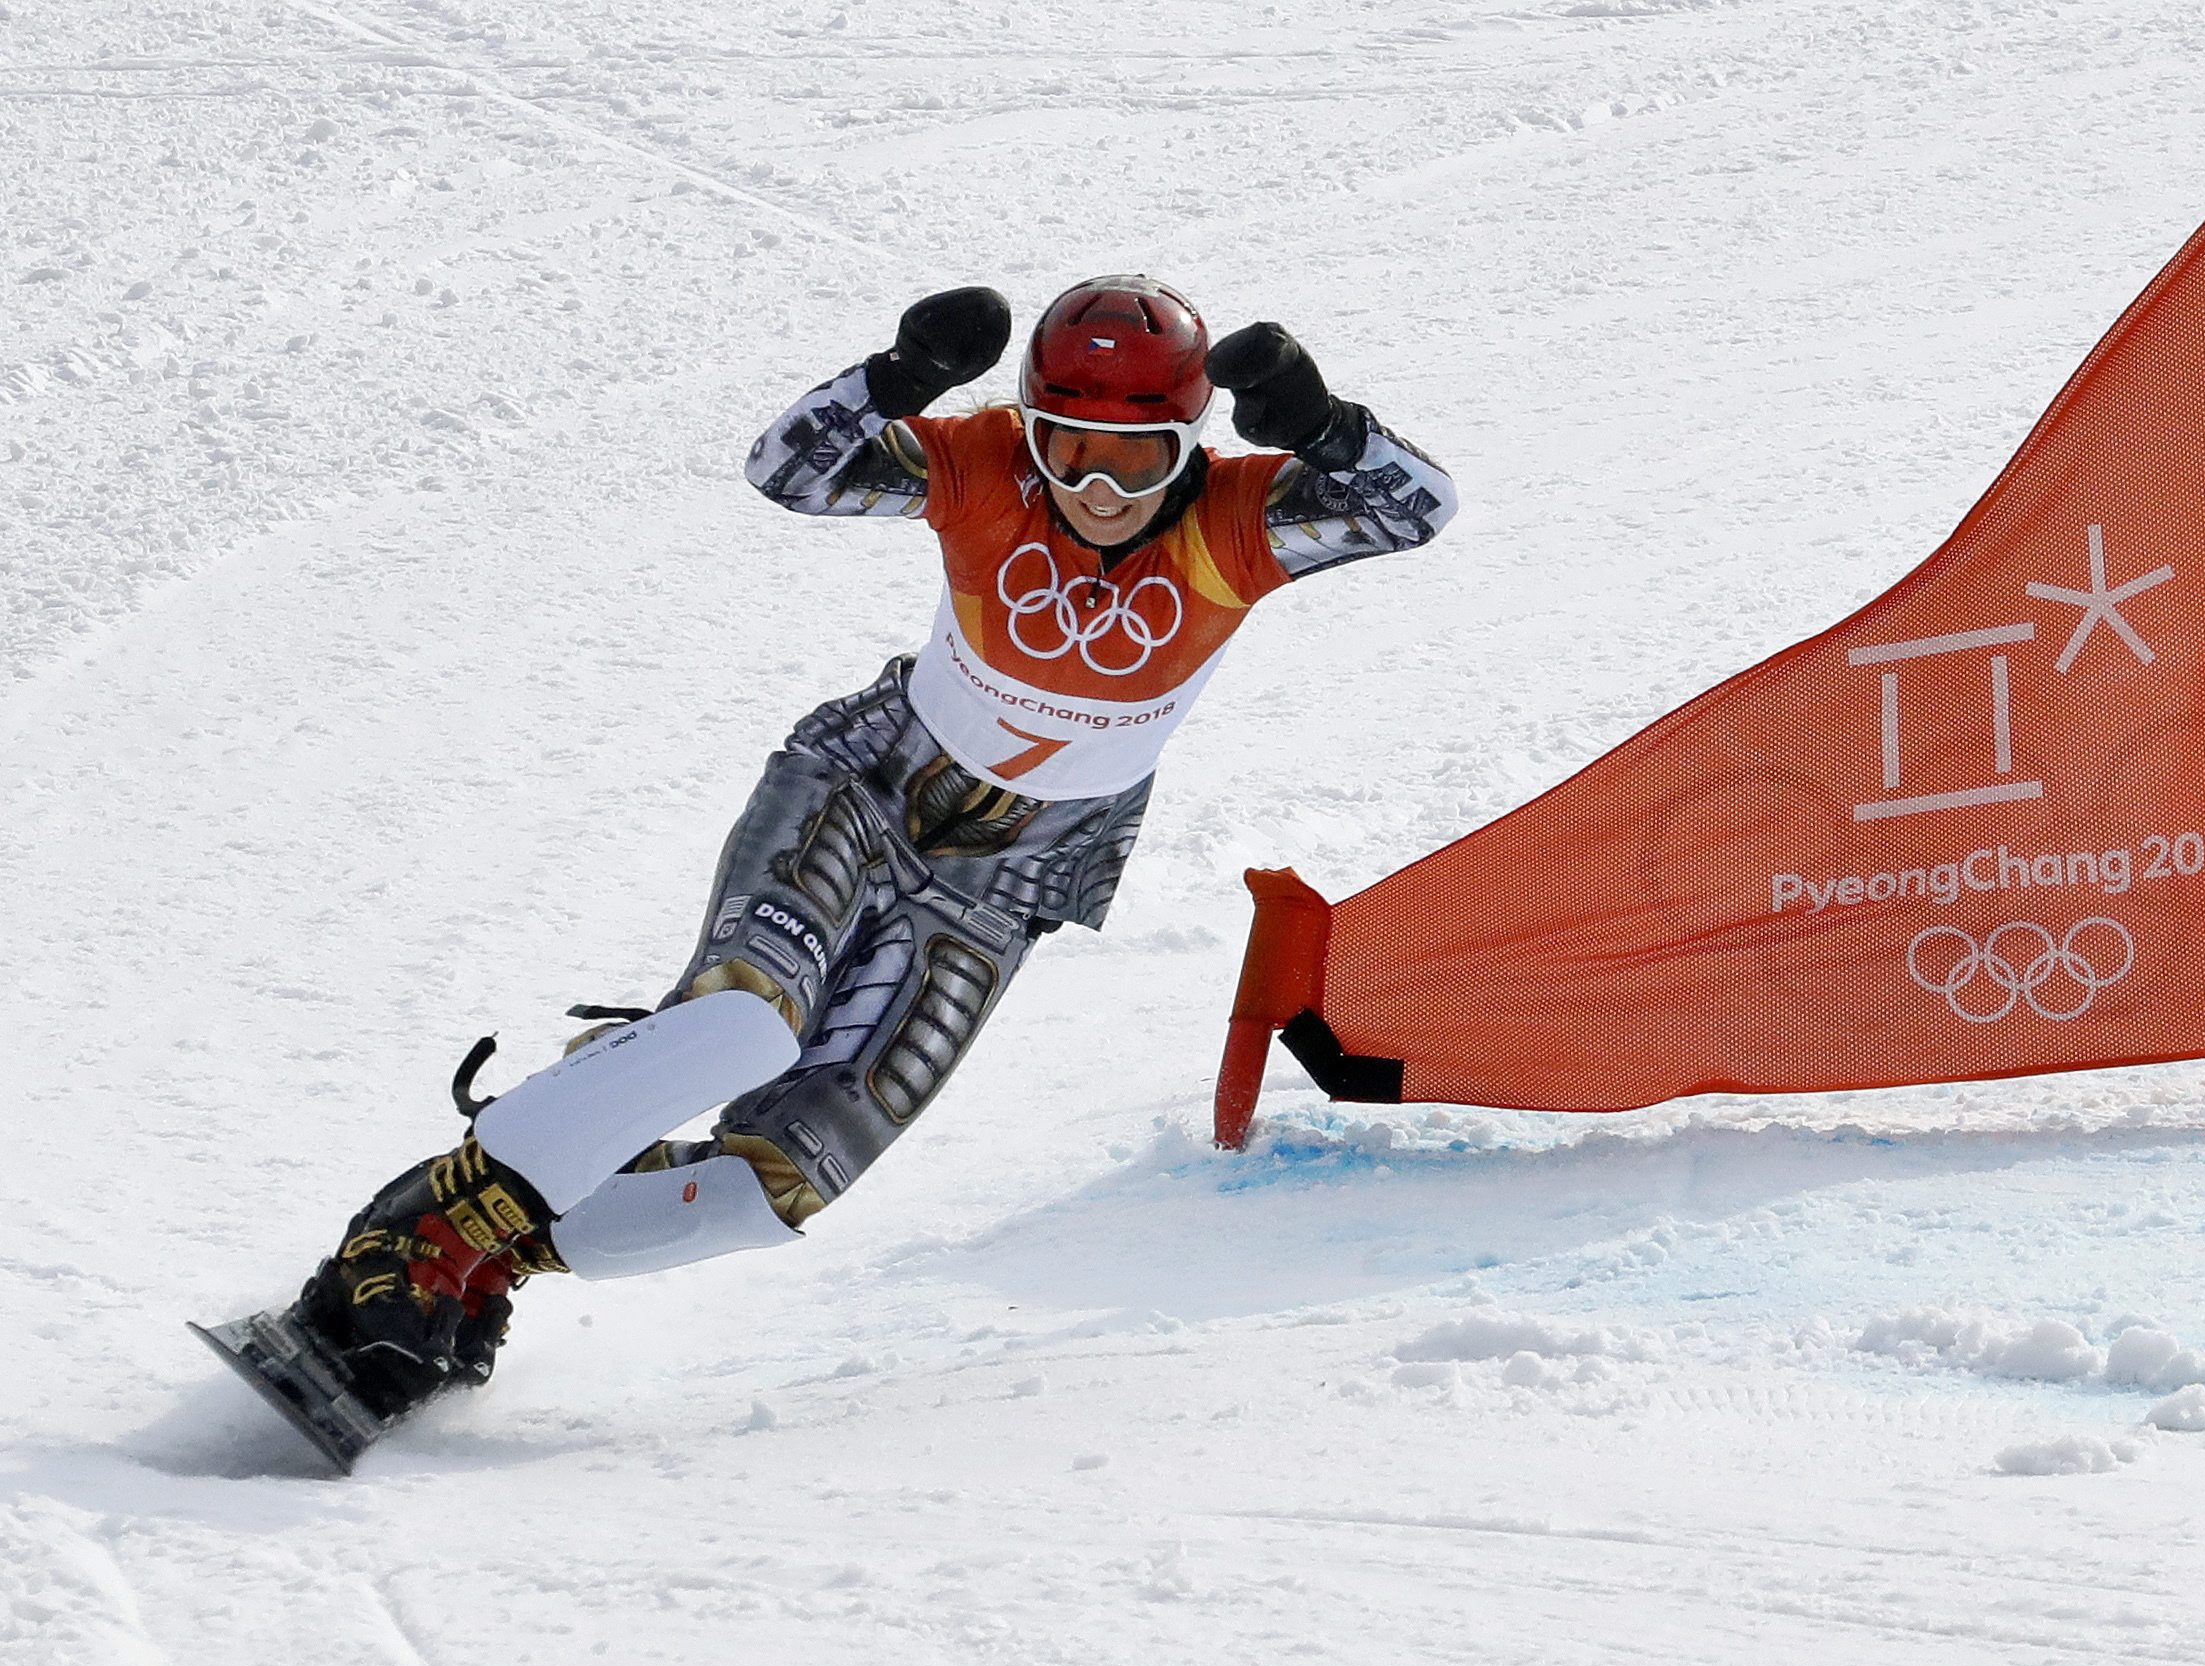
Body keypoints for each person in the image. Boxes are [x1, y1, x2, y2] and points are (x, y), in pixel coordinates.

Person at [247, 276, 1458, 1441]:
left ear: (1191, 448)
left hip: (1016, 876)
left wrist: (1322, 427)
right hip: (866, 793)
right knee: (744, 1029)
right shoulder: (985, 469)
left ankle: (505, 1240)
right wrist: (900, 377)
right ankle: (415, 1236)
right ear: (1025, 433)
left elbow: (1420, 507)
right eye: (1065, 449)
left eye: (1136, 459)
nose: (1096, 487)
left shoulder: (1242, 521)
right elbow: (789, 471)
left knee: (775, 1192)